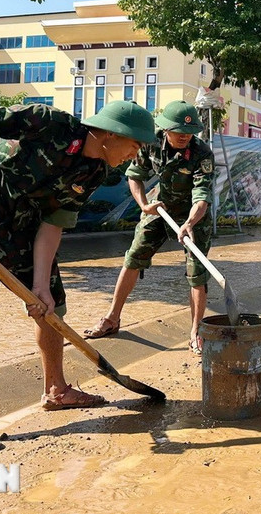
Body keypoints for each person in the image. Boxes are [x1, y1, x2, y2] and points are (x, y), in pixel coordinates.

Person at [0, 101, 156, 453]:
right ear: (110, 134)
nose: (135, 156)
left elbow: (53, 224)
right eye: (135, 146)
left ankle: (56, 390)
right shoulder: (48, 123)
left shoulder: (95, 172)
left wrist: (40, 286)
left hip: (27, 231)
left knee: (51, 308)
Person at [84, 100, 215, 355]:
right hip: (160, 208)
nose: (184, 137)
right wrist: (144, 205)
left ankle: (196, 330)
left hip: (193, 217)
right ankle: (112, 318)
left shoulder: (202, 154)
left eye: (188, 134)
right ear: (165, 129)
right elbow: (135, 175)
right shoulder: (150, 142)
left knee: (197, 273)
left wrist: (189, 223)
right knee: (133, 257)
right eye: (178, 133)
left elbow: (201, 197)